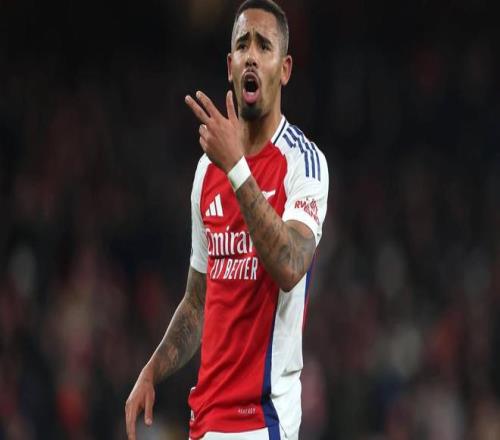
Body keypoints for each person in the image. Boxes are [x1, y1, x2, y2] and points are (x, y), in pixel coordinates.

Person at [125, 0, 329, 439]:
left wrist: (237, 167)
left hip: (262, 421)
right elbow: (197, 301)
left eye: (264, 46)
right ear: (230, 65)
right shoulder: (207, 171)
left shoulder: (304, 164)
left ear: (284, 69)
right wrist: (151, 370)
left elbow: (291, 265)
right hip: (206, 419)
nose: (251, 55)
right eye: (242, 45)